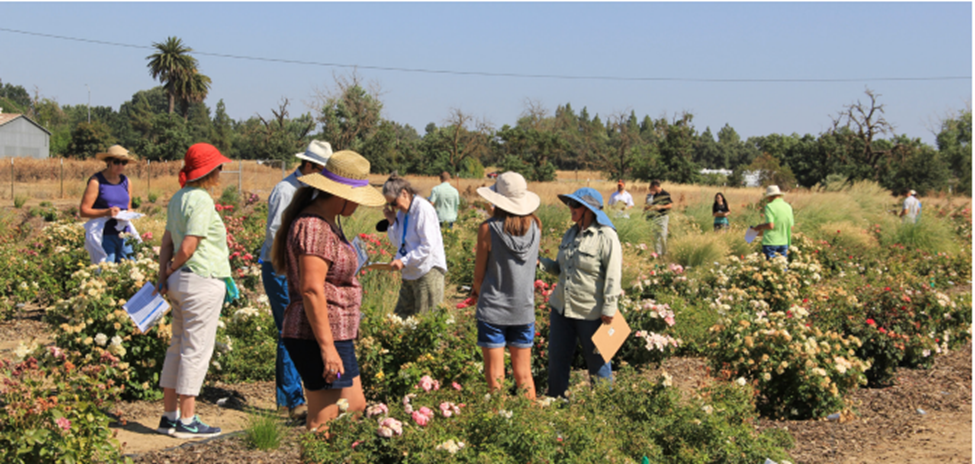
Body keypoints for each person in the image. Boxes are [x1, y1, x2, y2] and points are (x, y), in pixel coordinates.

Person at [271, 150, 385, 432]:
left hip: (336, 332)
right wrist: (327, 348)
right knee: (325, 417)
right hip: (315, 334)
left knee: (355, 405)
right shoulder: (314, 227)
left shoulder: (328, 221)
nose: (358, 206)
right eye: (356, 199)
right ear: (341, 194)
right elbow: (311, 289)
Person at [156, 143, 232, 439]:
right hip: (200, 279)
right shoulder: (201, 199)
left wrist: (165, 274)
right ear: (210, 171)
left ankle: (169, 415)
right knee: (196, 350)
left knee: (177, 345)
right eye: (218, 168)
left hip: (179, 283)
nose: (221, 173)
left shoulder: (178, 198)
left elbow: (166, 242)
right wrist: (175, 267)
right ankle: (187, 420)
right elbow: (188, 245)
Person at [259, 140, 332, 422]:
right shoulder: (286, 190)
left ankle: (299, 396)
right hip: (281, 270)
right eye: (322, 169)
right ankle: (293, 400)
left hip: (299, 270)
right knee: (289, 331)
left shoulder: (312, 191)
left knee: (300, 330)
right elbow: (276, 235)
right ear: (309, 165)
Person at [539, 187, 622, 398]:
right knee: (557, 359)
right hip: (562, 308)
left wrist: (610, 308)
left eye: (575, 204)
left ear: (589, 209)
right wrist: (539, 263)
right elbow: (560, 268)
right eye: (569, 203)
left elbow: (613, 275)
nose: (570, 208)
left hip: (591, 312)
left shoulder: (606, 236)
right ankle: (557, 401)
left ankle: (603, 408)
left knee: (599, 362)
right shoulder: (571, 233)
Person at [471, 172, 541, 399]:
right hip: (523, 308)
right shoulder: (536, 227)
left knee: (495, 376)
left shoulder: (488, 229)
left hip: (494, 308)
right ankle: (532, 425)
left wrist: (476, 295)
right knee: (524, 375)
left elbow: (479, 276)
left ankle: (498, 421)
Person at [383, 173, 448, 316]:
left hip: (427, 270)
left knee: (425, 319)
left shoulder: (422, 209)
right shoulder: (401, 213)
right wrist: (392, 221)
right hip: (411, 271)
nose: (394, 207)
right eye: (390, 204)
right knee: (401, 318)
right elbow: (397, 243)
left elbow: (427, 246)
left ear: (405, 194)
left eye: (394, 202)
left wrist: (403, 261)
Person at [80, 144, 137, 263]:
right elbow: (84, 210)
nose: (120, 166)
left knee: (130, 268)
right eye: (117, 162)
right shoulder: (96, 181)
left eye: (124, 162)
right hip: (104, 234)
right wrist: (106, 212)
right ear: (108, 161)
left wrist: (130, 212)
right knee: (106, 271)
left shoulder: (126, 181)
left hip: (124, 233)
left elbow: (128, 206)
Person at [751, 185, 795, 260]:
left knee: (770, 267)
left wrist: (760, 227)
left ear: (770, 196)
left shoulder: (770, 206)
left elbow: (770, 225)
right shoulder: (788, 206)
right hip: (784, 241)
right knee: (782, 266)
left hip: (770, 242)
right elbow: (791, 226)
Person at [643, 180, 673, 256]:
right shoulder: (655, 195)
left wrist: (661, 207)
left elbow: (670, 205)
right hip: (655, 217)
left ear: (655, 186)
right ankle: (657, 253)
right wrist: (648, 208)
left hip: (663, 217)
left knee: (662, 235)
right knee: (656, 236)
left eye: (651, 188)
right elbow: (654, 205)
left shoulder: (665, 194)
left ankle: (664, 253)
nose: (651, 190)